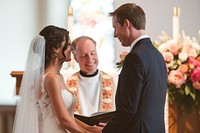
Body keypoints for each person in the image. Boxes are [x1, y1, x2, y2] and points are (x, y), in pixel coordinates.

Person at [12, 25, 102, 133]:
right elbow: (63, 120)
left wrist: (90, 128)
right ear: (55, 49)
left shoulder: (59, 77)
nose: (71, 49)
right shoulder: (50, 78)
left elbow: (68, 116)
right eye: (68, 44)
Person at [102, 3, 168, 133]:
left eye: (115, 28)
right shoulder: (158, 55)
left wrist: (106, 131)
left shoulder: (134, 58)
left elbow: (128, 108)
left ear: (126, 24)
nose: (115, 35)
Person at [66, 36, 116, 116]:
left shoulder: (112, 81)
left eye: (93, 53)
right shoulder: (68, 83)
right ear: (75, 58)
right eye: (84, 55)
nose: (90, 59)